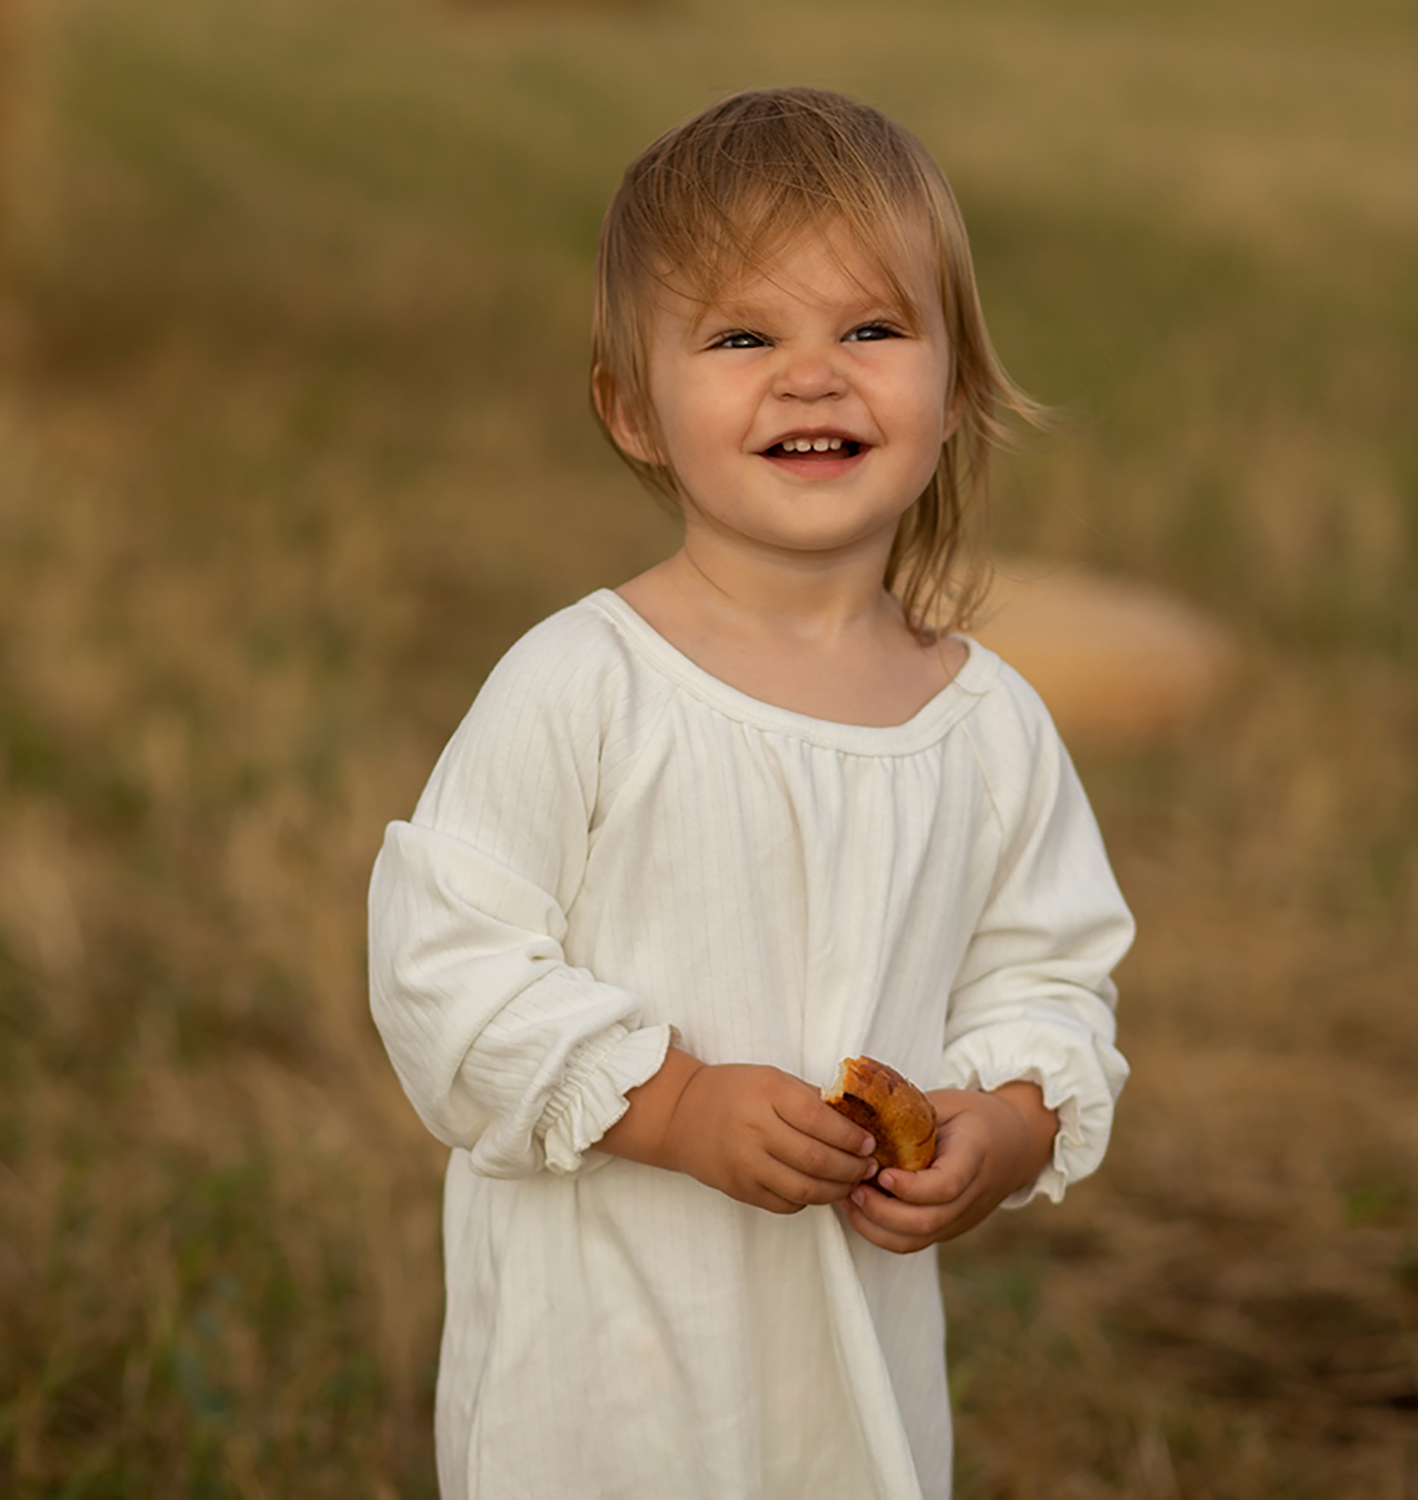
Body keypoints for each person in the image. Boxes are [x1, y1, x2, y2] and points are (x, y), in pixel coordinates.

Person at [368, 86, 1134, 1500]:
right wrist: (672, 1104)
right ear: (632, 406)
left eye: (872, 329)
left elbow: (1050, 974)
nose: (812, 375)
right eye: (741, 336)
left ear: (953, 379)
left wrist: (1006, 1124)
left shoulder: (986, 728)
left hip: (847, 1375)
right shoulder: (586, 684)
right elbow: (444, 966)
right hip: (611, 1369)